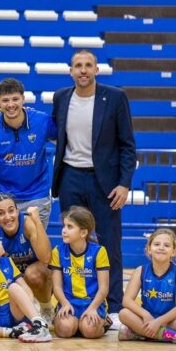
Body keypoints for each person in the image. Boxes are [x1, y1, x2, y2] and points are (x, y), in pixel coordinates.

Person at [52, 49, 137, 327]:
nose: (83, 70)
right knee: (71, 242)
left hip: (106, 182)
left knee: (109, 243)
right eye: (78, 66)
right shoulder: (61, 97)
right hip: (70, 177)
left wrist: (124, 184)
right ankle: (69, 304)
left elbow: (127, 145)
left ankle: (113, 308)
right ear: (71, 71)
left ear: (97, 70)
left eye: (89, 65)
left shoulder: (115, 97)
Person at [0, 78, 57, 226]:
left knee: (34, 244)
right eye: (5, 100)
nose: (11, 105)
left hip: (36, 195)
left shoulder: (41, 121)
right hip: (3, 197)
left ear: (23, 99)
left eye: (15, 99)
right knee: (3, 247)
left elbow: (65, 142)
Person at [0, 194, 53, 321]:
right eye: (1, 213)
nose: (8, 217)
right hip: (11, 278)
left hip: (37, 275)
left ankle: (46, 309)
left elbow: (45, 258)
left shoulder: (28, 224)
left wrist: (38, 221)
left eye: (11, 211)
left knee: (33, 274)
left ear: (17, 211)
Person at [119, 229, 176, 345]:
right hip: (147, 319)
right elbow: (127, 300)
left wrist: (159, 322)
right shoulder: (140, 271)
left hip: (170, 320)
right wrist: (146, 315)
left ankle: (139, 333)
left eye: (166, 245)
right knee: (124, 313)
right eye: (156, 244)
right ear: (148, 249)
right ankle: (175, 337)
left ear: (174, 252)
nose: (161, 248)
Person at [49, 206, 111, 339]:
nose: (64, 231)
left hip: (92, 302)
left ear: (83, 233)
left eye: (70, 227)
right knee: (65, 330)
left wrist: (93, 308)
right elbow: (57, 287)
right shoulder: (58, 251)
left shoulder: (99, 252)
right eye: (64, 226)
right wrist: (65, 303)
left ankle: (103, 321)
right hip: (69, 301)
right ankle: (74, 324)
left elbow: (104, 288)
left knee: (90, 331)